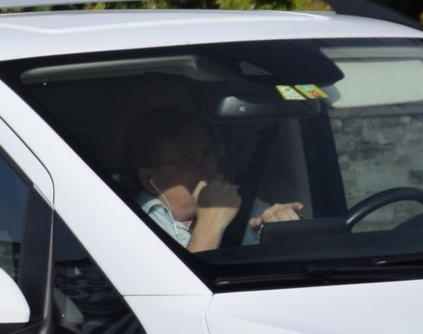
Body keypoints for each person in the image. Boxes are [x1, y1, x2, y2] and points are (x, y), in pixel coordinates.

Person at [125, 105, 302, 252]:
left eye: (210, 152)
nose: (210, 165)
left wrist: (281, 228)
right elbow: (183, 291)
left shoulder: (240, 198)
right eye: (191, 160)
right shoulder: (130, 224)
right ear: (149, 179)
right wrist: (210, 222)